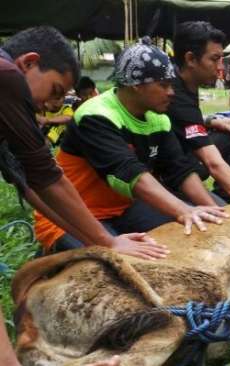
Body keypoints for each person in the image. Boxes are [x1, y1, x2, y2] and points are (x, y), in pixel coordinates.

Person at [0, 26, 159, 366]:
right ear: (29, 63)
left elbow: (29, 185)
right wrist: (108, 241)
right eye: (55, 90)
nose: (49, 104)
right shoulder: (6, 76)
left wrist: (96, 240)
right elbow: (46, 176)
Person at [34, 38, 229, 254]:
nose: (171, 92)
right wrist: (183, 210)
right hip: (73, 217)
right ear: (136, 85)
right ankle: (50, 252)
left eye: (171, 85)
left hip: (123, 209)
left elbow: (180, 170)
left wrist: (211, 212)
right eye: (163, 85)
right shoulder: (96, 115)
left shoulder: (158, 119)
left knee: (195, 233)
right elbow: (129, 174)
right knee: (112, 267)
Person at [168, 21, 230, 204]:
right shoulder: (172, 94)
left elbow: (182, 121)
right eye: (214, 59)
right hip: (169, 169)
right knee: (222, 214)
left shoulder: (184, 80)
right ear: (191, 59)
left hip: (185, 154)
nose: (221, 67)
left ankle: (224, 196)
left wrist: (210, 121)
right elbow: (213, 163)